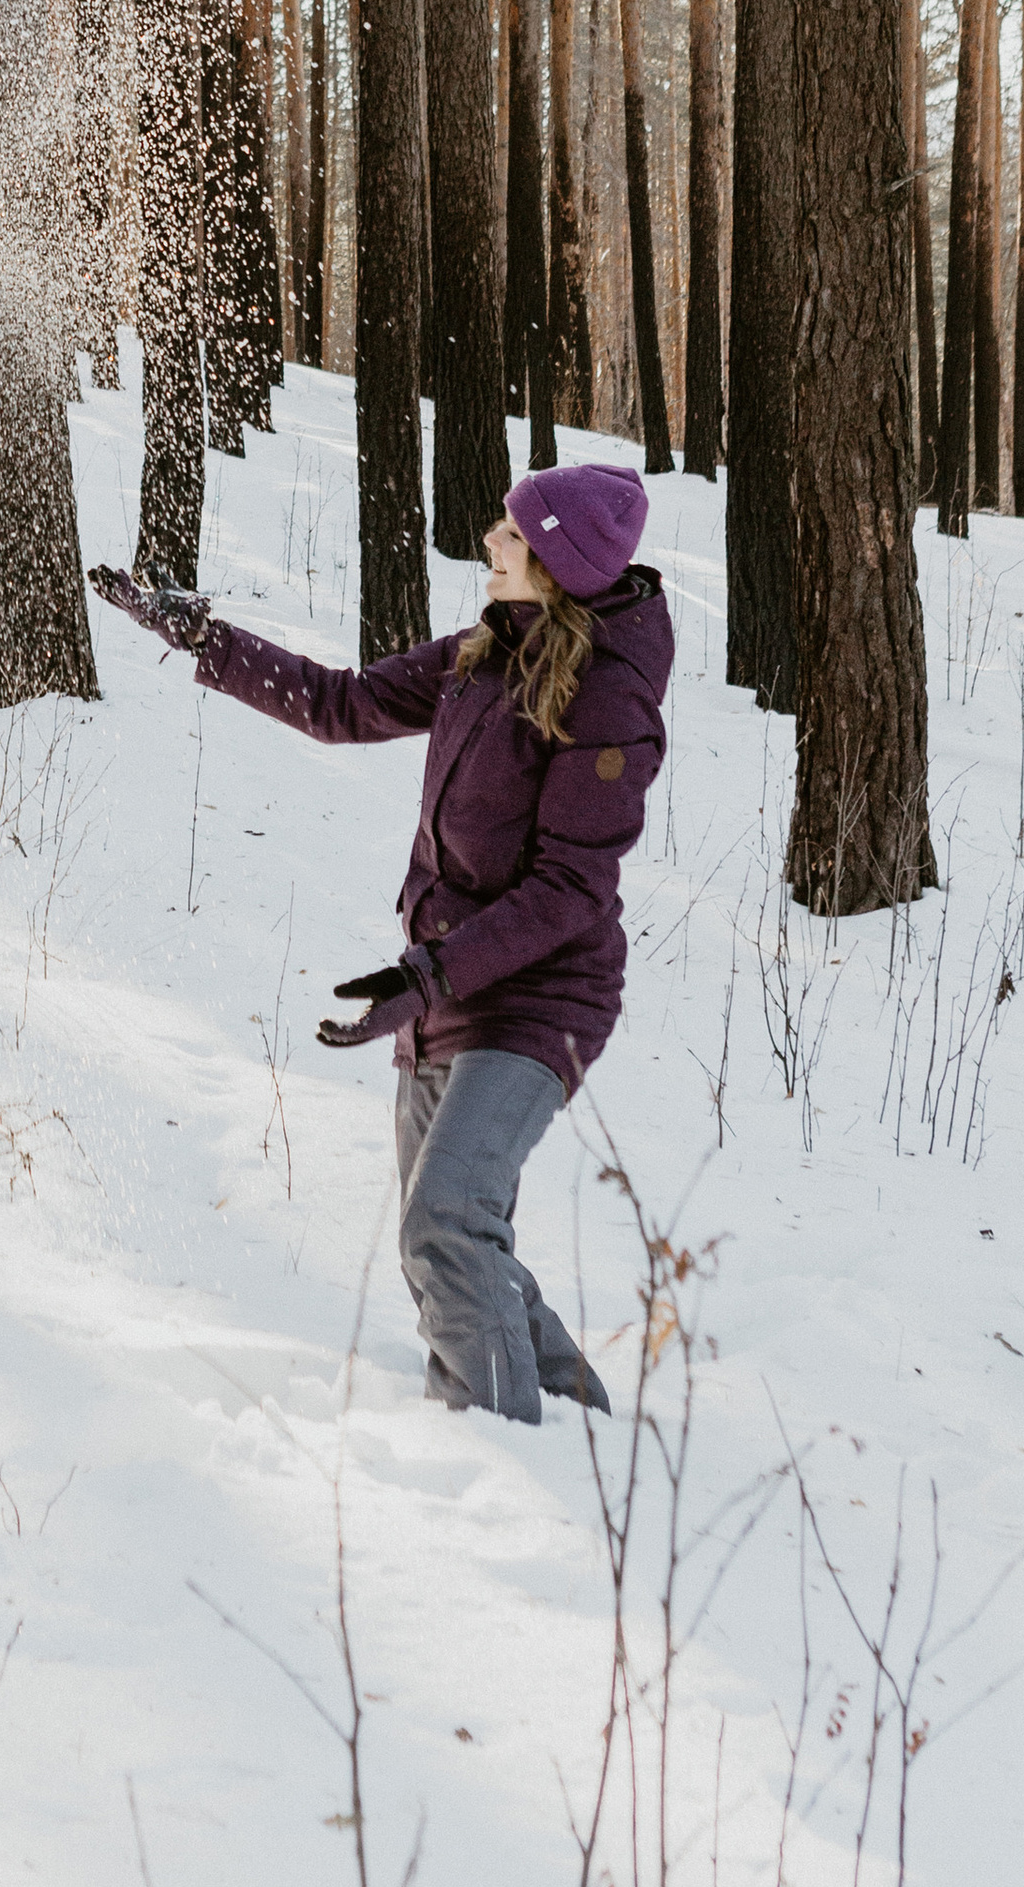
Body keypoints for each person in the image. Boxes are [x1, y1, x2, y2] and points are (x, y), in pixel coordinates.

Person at [92, 461, 672, 1423]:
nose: (492, 541)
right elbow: (344, 703)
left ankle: (502, 1450)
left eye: (515, 534)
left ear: (561, 563)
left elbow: (571, 890)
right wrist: (204, 637)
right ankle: (579, 1431)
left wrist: (431, 973)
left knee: (444, 1226)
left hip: (539, 1000)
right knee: (454, 1238)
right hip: (447, 985)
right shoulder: (493, 648)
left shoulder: (608, 701)